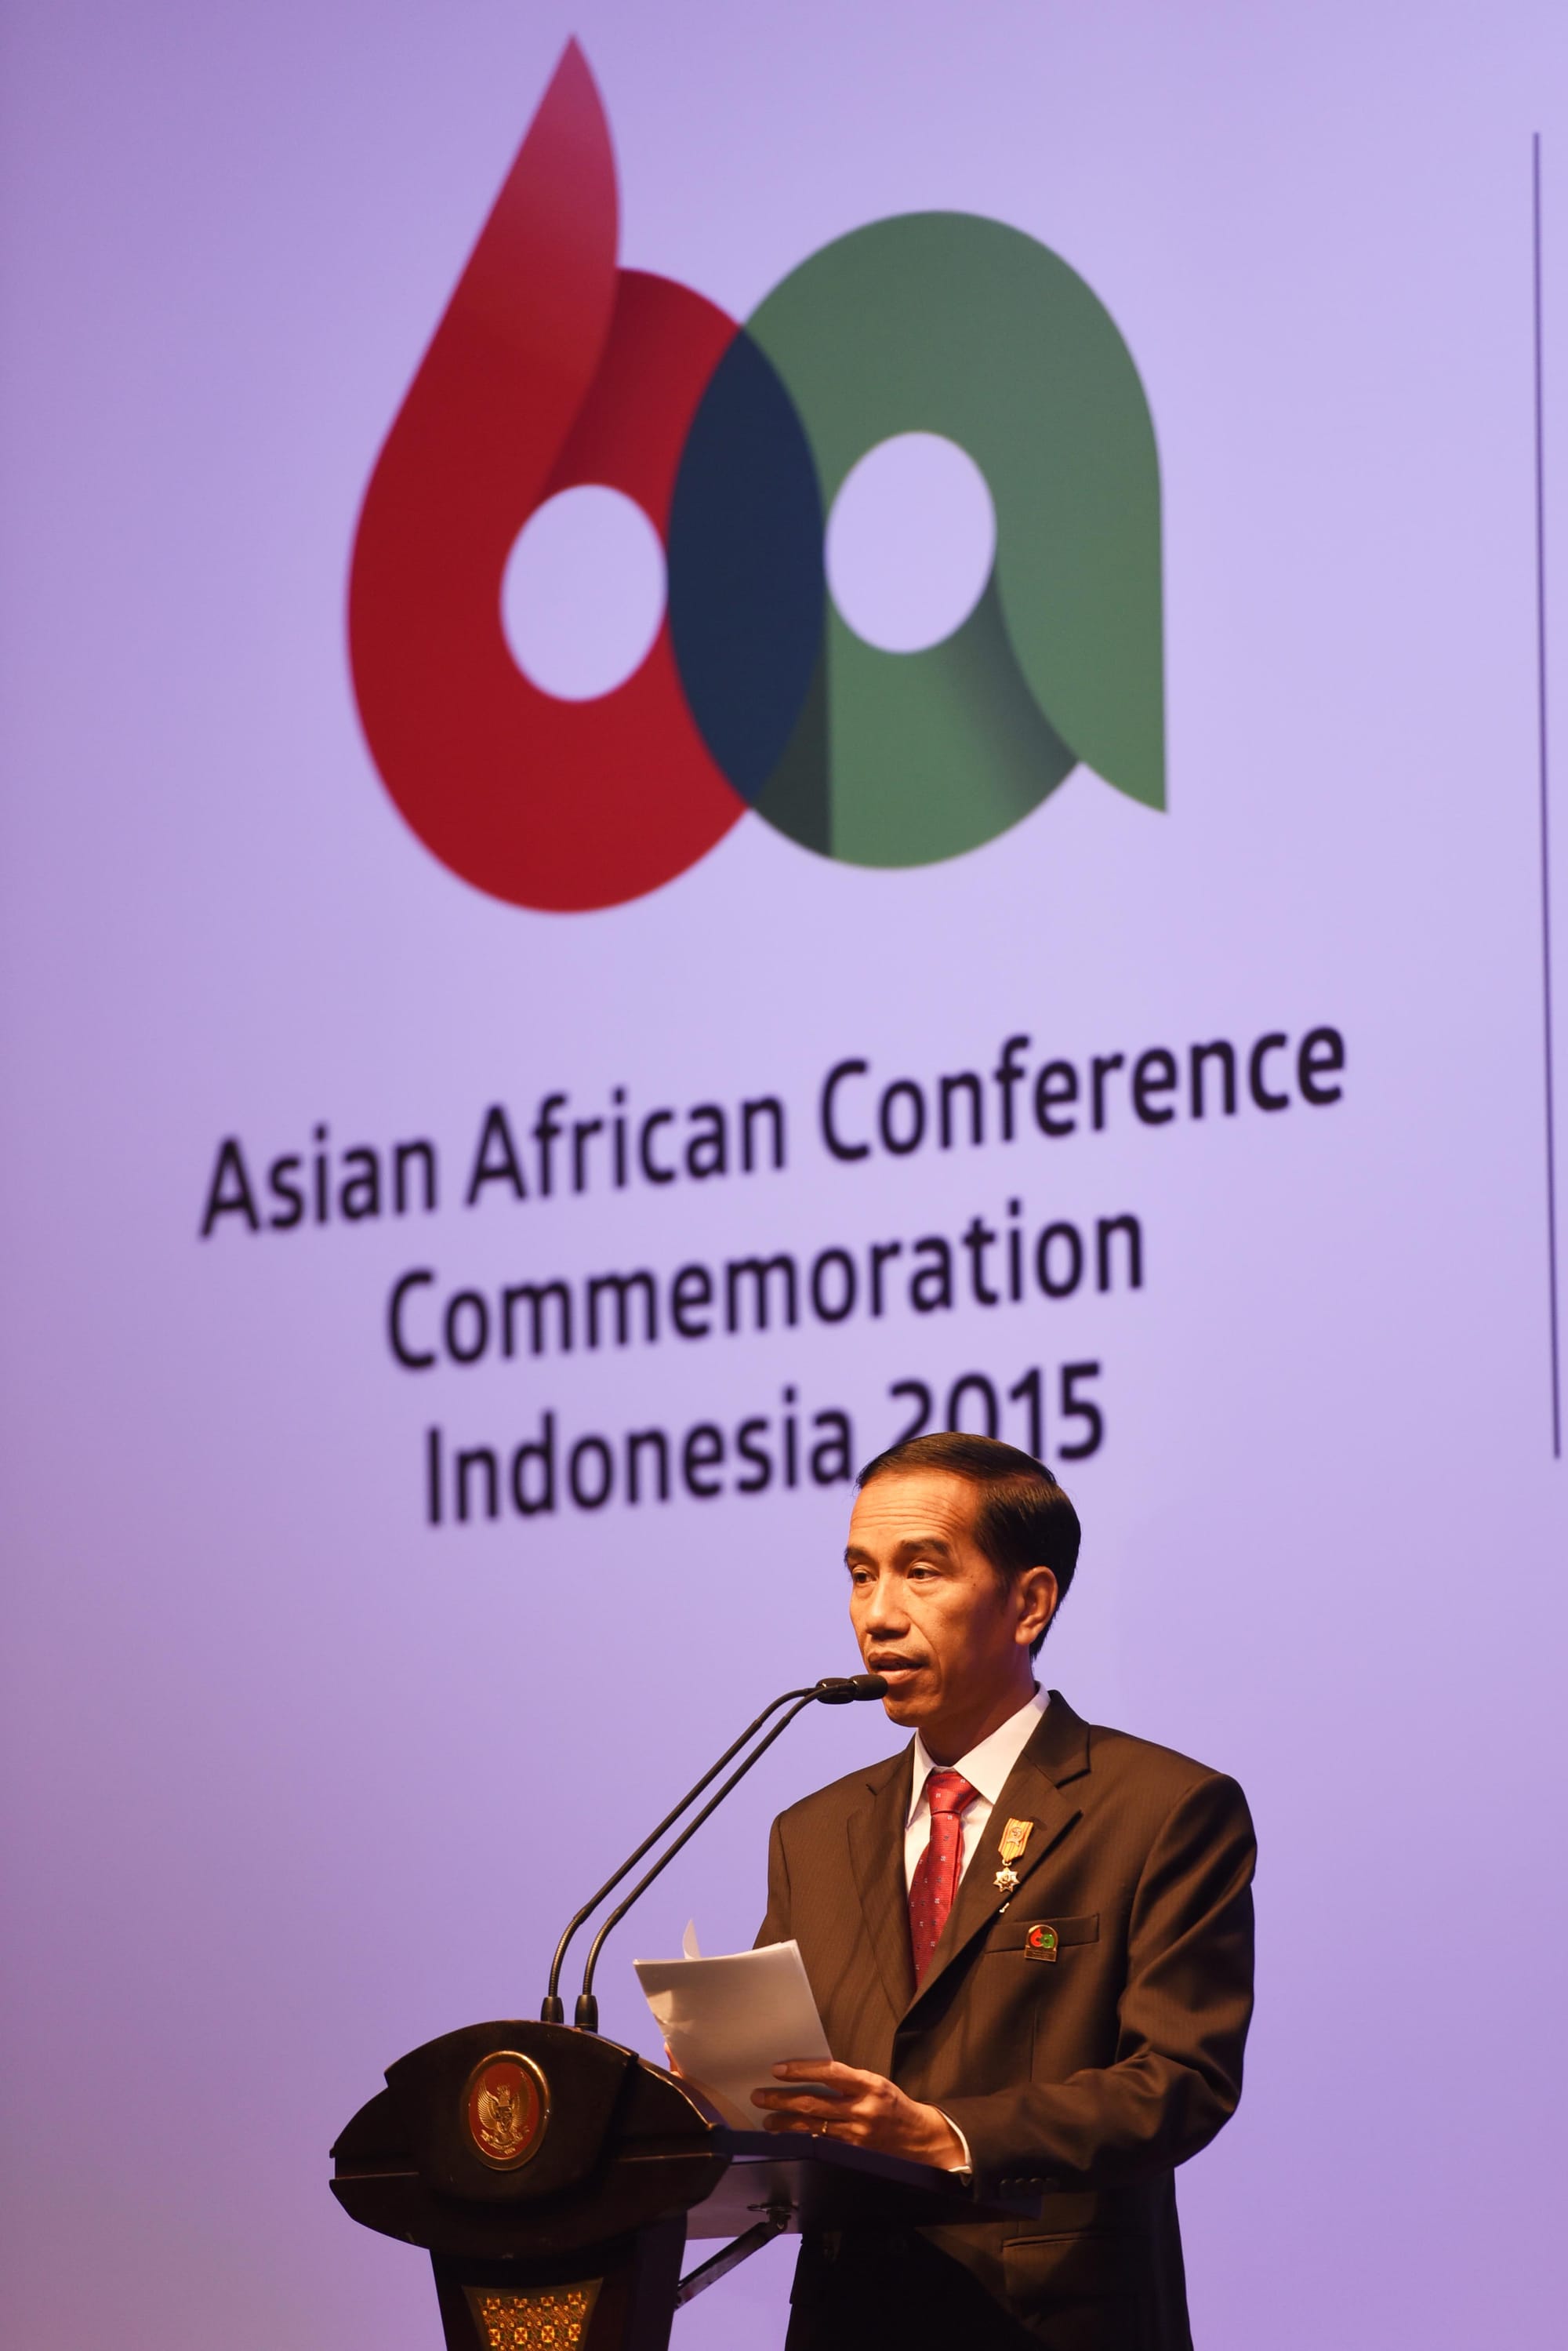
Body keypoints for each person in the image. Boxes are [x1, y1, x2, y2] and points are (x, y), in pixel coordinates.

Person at [750, 1431, 1255, 2350]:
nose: (878, 1614)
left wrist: (941, 2130)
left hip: (1052, 2318)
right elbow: (795, 2088)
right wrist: (715, 2096)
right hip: (846, 2319)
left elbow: (1177, 2083)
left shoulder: (1162, 1808)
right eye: (861, 1574)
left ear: (1028, 1603)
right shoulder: (809, 1832)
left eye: (920, 1572)